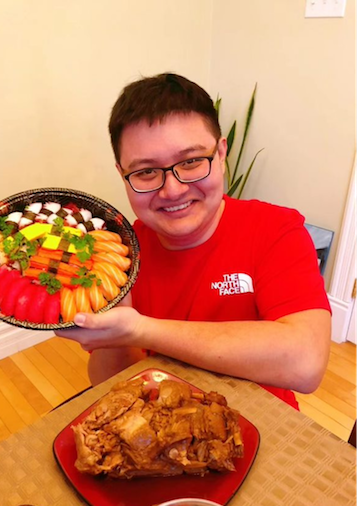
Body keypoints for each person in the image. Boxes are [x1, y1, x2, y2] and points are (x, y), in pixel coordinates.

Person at [59, 73, 331, 409]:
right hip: (160, 428)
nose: (172, 189)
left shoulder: (277, 229)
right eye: (146, 172)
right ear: (122, 175)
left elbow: (306, 364)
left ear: (220, 154)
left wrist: (141, 330)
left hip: (265, 425)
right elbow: (111, 383)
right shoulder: (120, 254)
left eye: (190, 162)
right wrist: (112, 333)